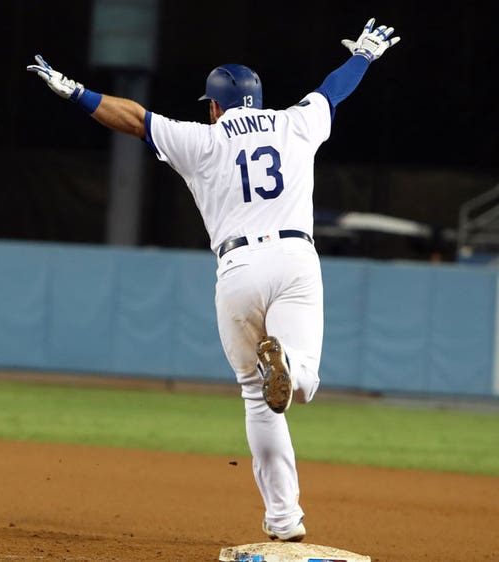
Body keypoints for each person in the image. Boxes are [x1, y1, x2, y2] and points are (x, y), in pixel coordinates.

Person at [27, 18, 400, 542]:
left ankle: (285, 520)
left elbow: (134, 118)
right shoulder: (296, 123)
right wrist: (364, 55)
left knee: (256, 395)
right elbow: (333, 90)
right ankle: (289, 366)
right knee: (301, 383)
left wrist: (75, 91)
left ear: (215, 105)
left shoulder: (201, 139)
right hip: (296, 257)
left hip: (238, 269)